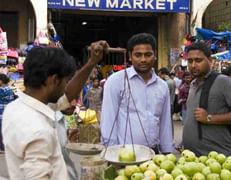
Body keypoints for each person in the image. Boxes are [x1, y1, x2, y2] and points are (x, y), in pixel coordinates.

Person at [2, 41, 109, 179]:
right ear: (53, 80)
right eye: (65, 81)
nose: (66, 87)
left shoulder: (16, 107)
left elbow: (68, 94)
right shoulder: (38, 130)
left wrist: (91, 62)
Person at [100, 33, 174, 154]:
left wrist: (167, 152)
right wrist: (110, 153)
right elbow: (108, 121)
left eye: (148, 54)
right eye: (138, 55)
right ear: (130, 56)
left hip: (153, 155)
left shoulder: (162, 86)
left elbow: (165, 123)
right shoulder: (116, 81)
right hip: (124, 154)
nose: (143, 60)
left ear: (155, 55)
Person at [182, 42, 231, 156]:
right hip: (193, 158)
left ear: (210, 61)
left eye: (198, 61)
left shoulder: (223, 82)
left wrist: (209, 118)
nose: (193, 65)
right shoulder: (193, 84)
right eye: (190, 61)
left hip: (218, 158)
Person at [0, 74, 16, 152]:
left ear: (1, 81)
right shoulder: (10, 89)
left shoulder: (1, 90)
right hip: (8, 113)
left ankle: (2, 147)